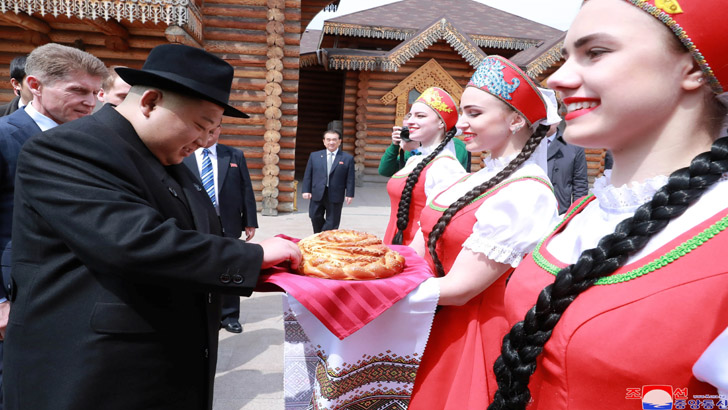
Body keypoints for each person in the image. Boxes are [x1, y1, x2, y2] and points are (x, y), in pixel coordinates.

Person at [4, 43, 301, 410]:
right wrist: (254, 255)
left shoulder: (170, 162)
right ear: (150, 102)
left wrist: (272, 273)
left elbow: (194, 247)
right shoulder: (67, 150)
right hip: (94, 375)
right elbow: (132, 243)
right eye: (200, 125)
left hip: (167, 373)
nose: (205, 141)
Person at [489, 1, 728, 409]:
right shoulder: (586, 211)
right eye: (566, 56)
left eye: (595, 53)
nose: (558, 78)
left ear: (690, 68)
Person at [407, 55, 560, 409]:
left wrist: (372, 292)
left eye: (474, 114)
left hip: (471, 334)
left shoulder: (526, 192)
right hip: (434, 320)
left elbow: (461, 289)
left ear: (516, 120)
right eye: (461, 113)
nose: (460, 124)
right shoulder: (472, 179)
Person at [184, 123, 258, 334]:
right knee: (203, 264)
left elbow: (246, 188)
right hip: (196, 221)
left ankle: (230, 315)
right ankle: (206, 314)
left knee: (232, 265)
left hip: (229, 219)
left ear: (220, 130)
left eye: (213, 130)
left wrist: (249, 220)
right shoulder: (185, 153)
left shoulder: (233, 155)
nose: (209, 134)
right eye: (205, 129)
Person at [382, 86, 466, 245]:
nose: (411, 121)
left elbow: (437, 225)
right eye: (410, 115)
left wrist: (413, 262)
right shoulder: (414, 159)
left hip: (416, 253)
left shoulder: (446, 167)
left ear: (441, 123)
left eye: (420, 116)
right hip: (396, 245)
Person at [301, 129, 355, 233]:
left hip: (336, 193)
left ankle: (325, 238)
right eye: (328, 139)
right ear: (324, 141)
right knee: (314, 215)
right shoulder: (314, 156)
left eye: (334, 140)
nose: (331, 142)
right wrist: (306, 190)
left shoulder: (347, 158)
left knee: (333, 221)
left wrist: (349, 193)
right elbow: (308, 174)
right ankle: (319, 236)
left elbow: (350, 178)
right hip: (318, 192)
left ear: (339, 141)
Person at [377, 125, 471, 177]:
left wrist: (418, 152)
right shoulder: (412, 146)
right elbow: (385, 171)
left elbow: (447, 177)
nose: (410, 132)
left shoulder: (456, 147)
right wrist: (394, 145)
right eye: (406, 129)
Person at [546, 122, 588, 213]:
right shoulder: (525, 143)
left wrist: (577, 213)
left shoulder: (572, 146)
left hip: (560, 211)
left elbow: (580, 183)